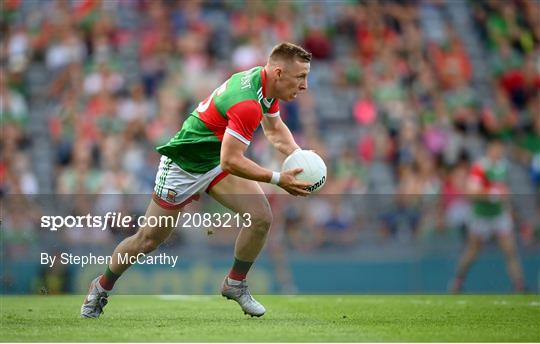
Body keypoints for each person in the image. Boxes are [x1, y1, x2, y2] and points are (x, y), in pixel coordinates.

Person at [81, 42, 313, 318]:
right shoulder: (247, 103)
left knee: (260, 216)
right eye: (300, 77)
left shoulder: (264, 85)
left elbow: (274, 130)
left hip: (214, 162)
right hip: (183, 167)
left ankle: (235, 284)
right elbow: (232, 161)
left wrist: (300, 157)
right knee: (147, 240)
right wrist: (278, 178)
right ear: (277, 73)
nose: (304, 85)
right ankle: (101, 286)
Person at [449, 138, 525, 293]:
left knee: (510, 249)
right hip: (481, 215)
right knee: (472, 250)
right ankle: (458, 280)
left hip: (498, 214)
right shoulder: (480, 167)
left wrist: (505, 202)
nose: (499, 151)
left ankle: (519, 286)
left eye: (501, 148)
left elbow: (503, 190)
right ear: (489, 149)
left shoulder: (503, 166)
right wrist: (493, 194)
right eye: (496, 148)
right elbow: (472, 193)